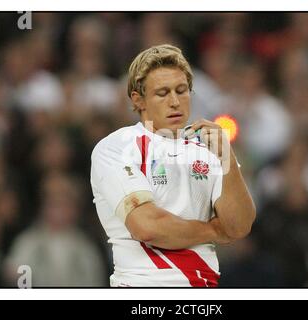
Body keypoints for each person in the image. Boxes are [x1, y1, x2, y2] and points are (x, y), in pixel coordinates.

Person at [90, 44, 256, 287]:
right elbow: (147, 227)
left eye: (182, 90)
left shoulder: (210, 150)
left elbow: (240, 226)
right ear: (138, 100)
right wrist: (215, 231)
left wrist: (228, 160)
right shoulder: (116, 147)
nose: (175, 102)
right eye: (162, 93)